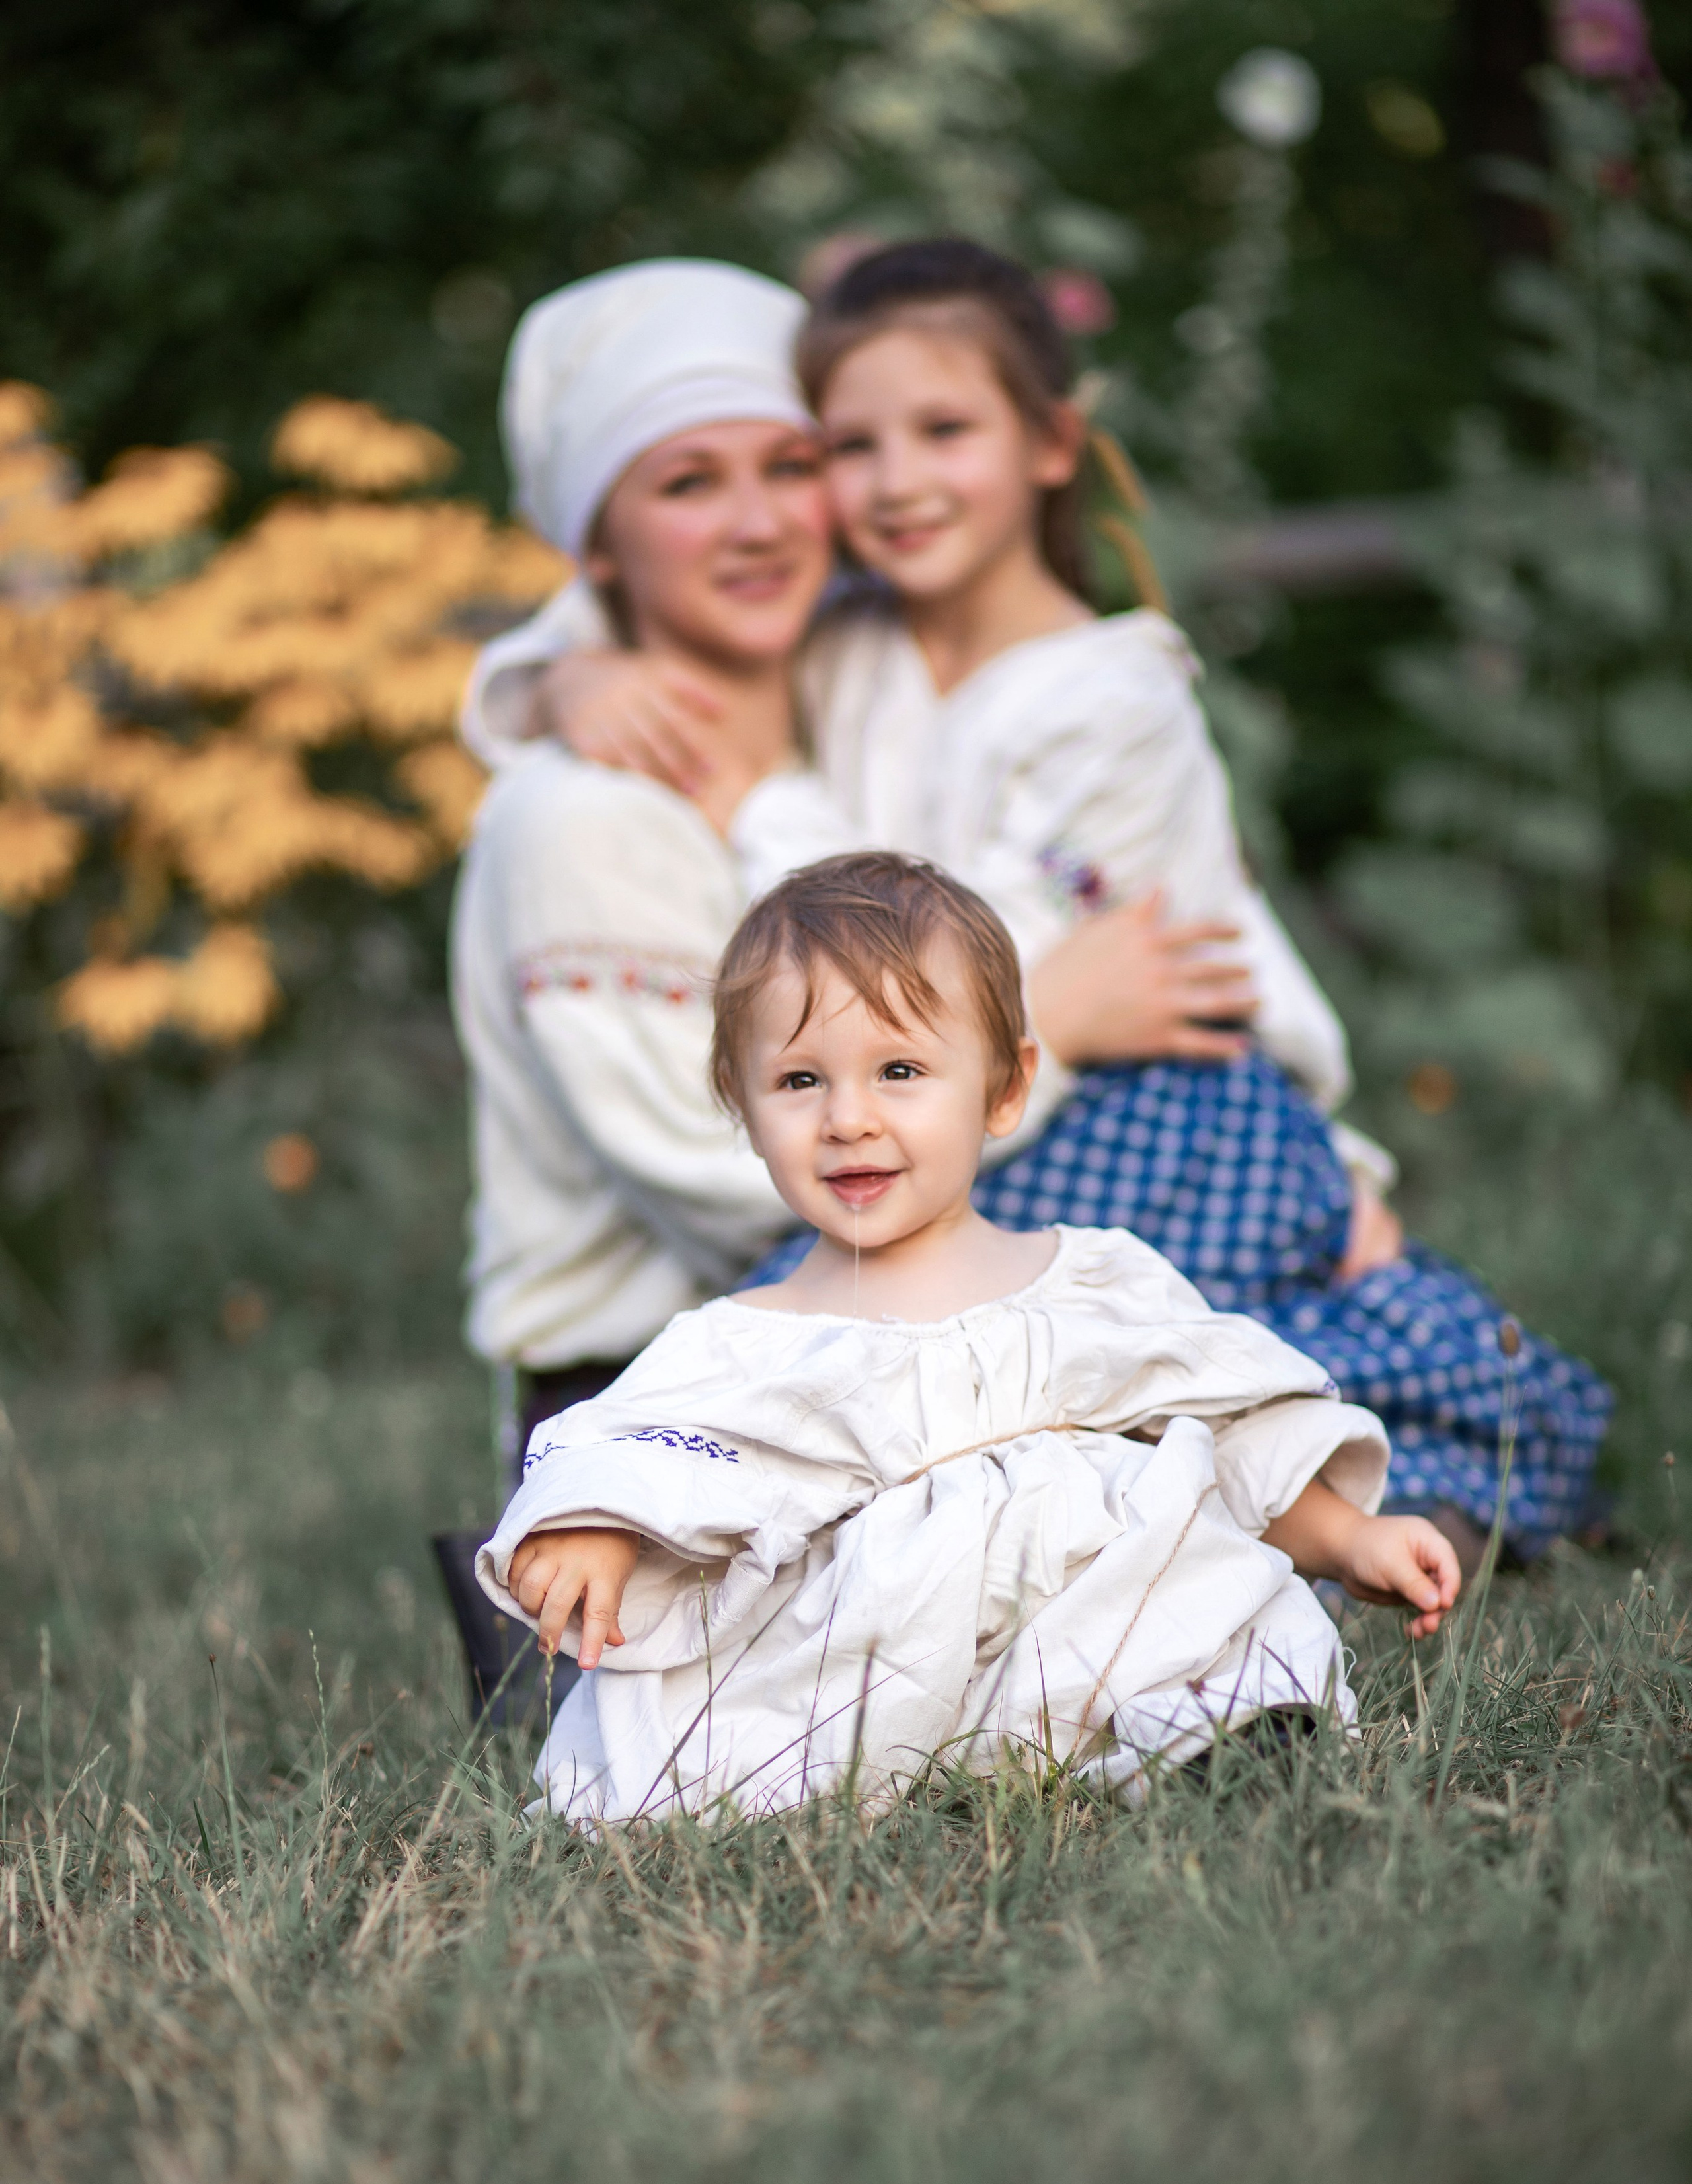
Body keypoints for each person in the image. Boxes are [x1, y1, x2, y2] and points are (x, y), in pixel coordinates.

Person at [466, 239, 1612, 1568]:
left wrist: (744, 800)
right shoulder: (849, 647)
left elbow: (955, 946)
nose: (873, 488)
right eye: (847, 446)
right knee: (1018, 1419)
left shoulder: (1107, 698)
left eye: (794, 465)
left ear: (1050, 445)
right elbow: (590, 634)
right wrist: (555, 685)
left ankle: (1411, 1510)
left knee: (1145, 1384)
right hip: (969, 1119)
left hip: (1161, 1113)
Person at [439, 256, 1236, 1713]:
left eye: (790, 466)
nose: (755, 523)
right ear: (596, 542)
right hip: (675, 1392)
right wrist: (1050, 1029)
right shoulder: (586, 818)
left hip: (899, 1329)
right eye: (685, 484)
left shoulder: (846, 679)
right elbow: (724, 1184)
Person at [481, 857, 1459, 1825]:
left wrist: (1348, 1539)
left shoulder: (1092, 1280)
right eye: (799, 1080)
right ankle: (842, 1787)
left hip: (1095, 1632)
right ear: (742, 1108)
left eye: (899, 1071)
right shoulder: (745, 1340)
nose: (848, 1119)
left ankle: (1224, 1738)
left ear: (1004, 1089)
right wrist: (597, 1527)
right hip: (872, 1678)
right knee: (737, 1726)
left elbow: (1231, 1445)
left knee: (1204, 1600)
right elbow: (642, 1453)